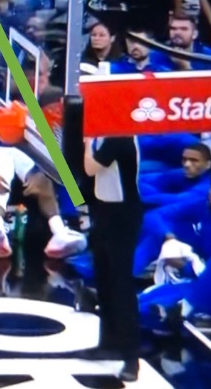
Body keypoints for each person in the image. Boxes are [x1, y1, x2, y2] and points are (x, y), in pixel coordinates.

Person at [83, 135, 143, 382]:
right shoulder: (103, 135)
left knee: (121, 286)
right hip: (104, 211)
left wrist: (86, 144)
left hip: (123, 216)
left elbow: (90, 167)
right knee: (104, 280)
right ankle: (108, 342)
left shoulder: (120, 137)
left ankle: (132, 358)